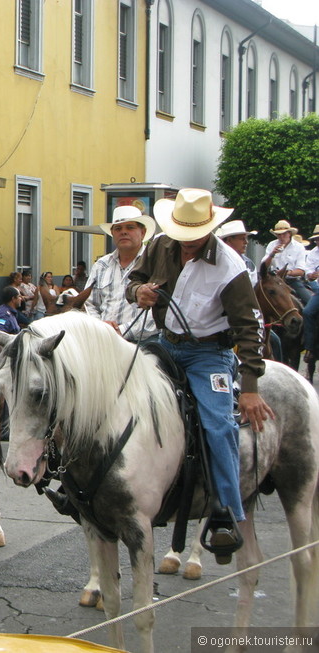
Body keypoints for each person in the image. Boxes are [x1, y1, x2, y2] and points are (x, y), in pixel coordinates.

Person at [126, 188, 273, 564]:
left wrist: (251, 388)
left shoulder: (230, 268)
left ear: (209, 230)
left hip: (209, 355)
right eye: (181, 234)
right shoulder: (160, 245)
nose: (185, 243)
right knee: (120, 392)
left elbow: (249, 331)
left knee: (218, 425)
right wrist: (139, 291)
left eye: (193, 236)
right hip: (164, 341)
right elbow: (134, 280)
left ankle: (225, 513)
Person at [84, 205, 159, 342]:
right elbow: (89, 304)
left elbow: (156, 312)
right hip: (104, 341)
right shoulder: (101, 265)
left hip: (142, 343)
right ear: (112, 233)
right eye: (118, 228)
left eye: (130, 227)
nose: (123, 232)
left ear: (142, 232)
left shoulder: (156, 264)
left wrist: (122, 331)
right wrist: (101, 327)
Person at [216, 219, 283, 361]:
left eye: (246, 238)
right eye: (242, 239)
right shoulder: (216, 263)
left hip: (244, 314)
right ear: (228, 240)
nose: (246, 242)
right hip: (221, 318)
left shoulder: (248, 264)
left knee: (274, 341)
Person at [264, 220, 312, 306]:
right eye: (279, 234)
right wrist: (272, 254)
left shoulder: (298, 247)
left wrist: (287, 272)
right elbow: (264, 266)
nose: (281, 236)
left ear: (289, 233)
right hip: (273, 280)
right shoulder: (272, 245)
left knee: (309, 303)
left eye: (284, 234)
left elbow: (301, 271)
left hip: (292, 281)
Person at [300, 226, 319, 363]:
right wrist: (311, 275)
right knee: (307, 312)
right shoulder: (313, 253)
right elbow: (308, 273)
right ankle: (310, 347)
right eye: (316, 239)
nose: (318, 241)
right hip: (318, 288)